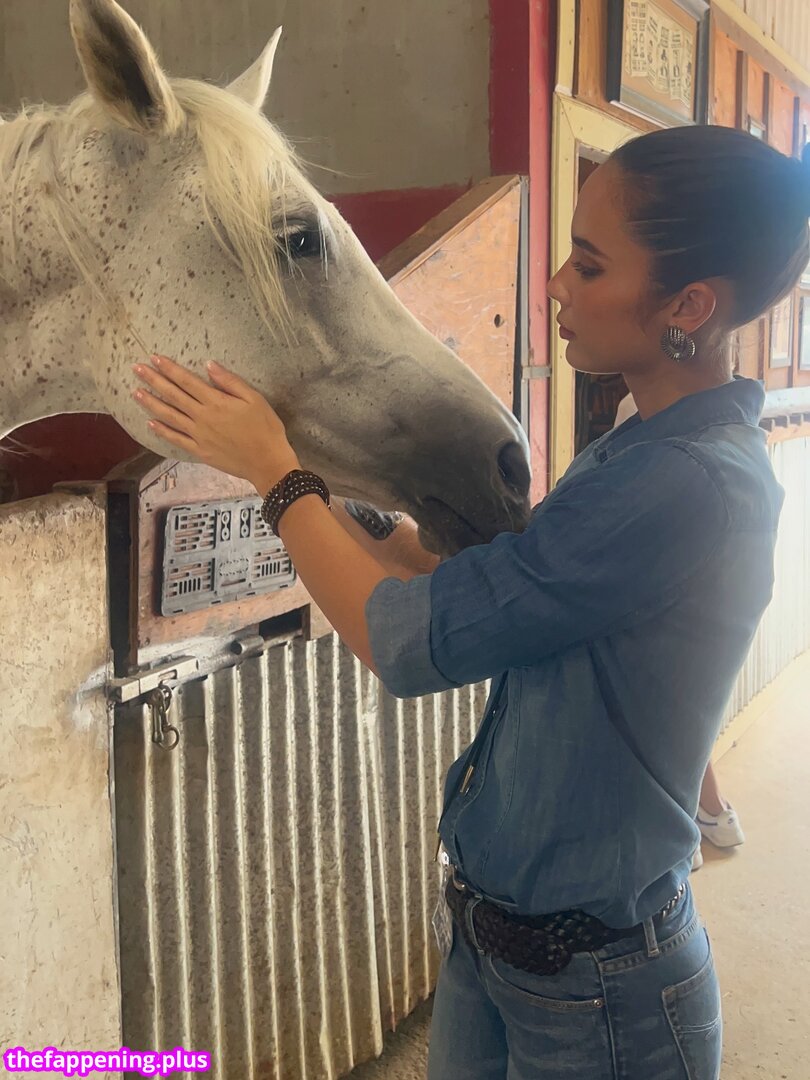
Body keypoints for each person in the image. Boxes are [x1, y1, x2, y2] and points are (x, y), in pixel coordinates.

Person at [132, 125, 809, 1079]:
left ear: (687, 306)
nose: (557, 286)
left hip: (598, 993)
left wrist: (277, 476)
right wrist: (343, 492)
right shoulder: (639, 447)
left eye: (589, 265)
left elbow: (403, 642)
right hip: (499, 947)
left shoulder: (684, 483)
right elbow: (478, 579)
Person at [613, 393, 748, 870]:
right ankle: (710, 812)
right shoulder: (725, 429)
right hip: (707, 595)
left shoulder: (639, 412)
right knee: (686, 711)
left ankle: (684, 829)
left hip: (661, 590)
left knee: (660, 716)